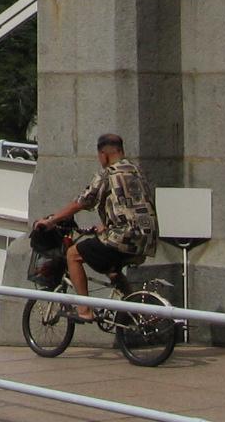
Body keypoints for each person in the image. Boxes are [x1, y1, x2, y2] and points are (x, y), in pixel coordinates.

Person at [34, 133, 159, 321]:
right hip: (147, 239)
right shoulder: (137, 171)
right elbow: (132, 206)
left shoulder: (108, 174)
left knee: (73, 255)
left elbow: (82, 202)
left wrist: (51, 221)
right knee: (112, 267)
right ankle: (133, 308)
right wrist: (106, 225)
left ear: (103, 154)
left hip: (123, 237)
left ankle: (84, 310)